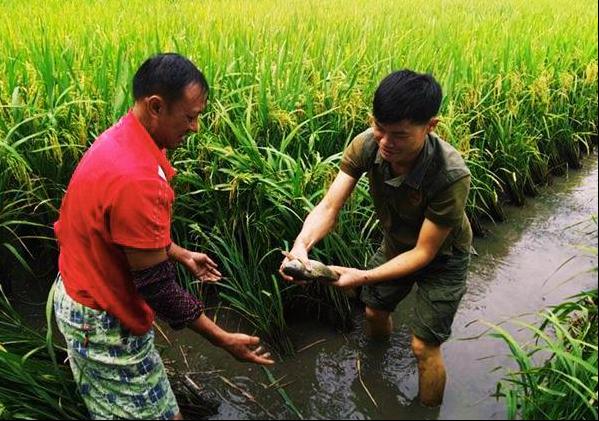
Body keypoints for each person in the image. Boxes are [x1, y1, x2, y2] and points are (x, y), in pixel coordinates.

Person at [53, 53, 274, 420]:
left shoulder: (118, 138)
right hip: (101, 319)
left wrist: (177, 252)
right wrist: (223, 339)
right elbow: (159, 289)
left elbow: (116, 232)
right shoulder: (138, 178)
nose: (196, 128)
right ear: (156, 106)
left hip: (75, 292)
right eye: (190, 117)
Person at [280, 69, 472, 407]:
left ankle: (426, 413)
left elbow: (425, 253)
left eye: (398, 134)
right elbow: (328, 206)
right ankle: (375, 364)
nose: (385, 142)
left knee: (423, 346)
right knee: (373, 311)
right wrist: (301, 246)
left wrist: (360, 275)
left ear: (431, 126)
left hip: (443, 260)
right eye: (379, 127)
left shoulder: (450, 173)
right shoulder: (369, 144)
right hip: (396, 244)